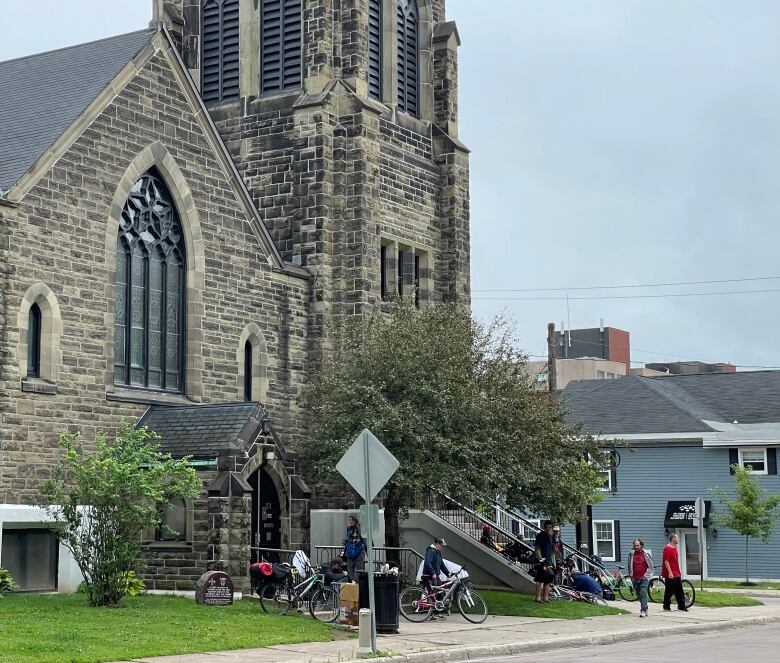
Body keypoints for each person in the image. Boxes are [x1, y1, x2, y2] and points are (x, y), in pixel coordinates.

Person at [628, 538, 654, 618]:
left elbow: (650, 566)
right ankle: (645, 607)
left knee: (643, 592)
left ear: (641, 545)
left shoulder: (646, 554)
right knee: (638, 594)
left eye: (638, 545)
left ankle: (642, 610)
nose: (636, 547)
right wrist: (630, 575)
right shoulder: (631, 554)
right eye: (635, 545)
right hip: (634, 577)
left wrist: (646, 575)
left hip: (644, 577)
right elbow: (629, 565)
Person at [661, 533, 688, 612]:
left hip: (676, 572)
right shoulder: (667, 548)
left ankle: (681, 606)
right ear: (673, 539)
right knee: (669, 590)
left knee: (679, 590)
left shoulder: (675, 547)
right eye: (677, 538)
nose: (678, 539)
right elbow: (666, 561)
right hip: (670, 573)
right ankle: (666, 606)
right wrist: (670, 572)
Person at [533, 520, 556, 603]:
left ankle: (545, 597)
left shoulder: (551, 536)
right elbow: (537, 548)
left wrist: (553, 563)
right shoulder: (540, 536)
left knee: (548, 578)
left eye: (550, 527)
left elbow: (552, 551)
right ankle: (538, 598)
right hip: (541, 561)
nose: (548, 529)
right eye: (547, 527)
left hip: (548, 561)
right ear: (544, 527)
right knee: (539, 578)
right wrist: (540, 559)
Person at [343, 514, 366, 581]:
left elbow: (364, 539)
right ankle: (352, 584)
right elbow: (350, 538)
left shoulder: (360, 528)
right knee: (350, 570)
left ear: (355, 520)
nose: (350, 521)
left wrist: (366, 548)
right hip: (350, 551)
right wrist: (346, 541)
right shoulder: (349, 529)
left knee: (359, 570)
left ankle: (359, 585)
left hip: (359, 551)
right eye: (349, 520)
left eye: (352, 520)